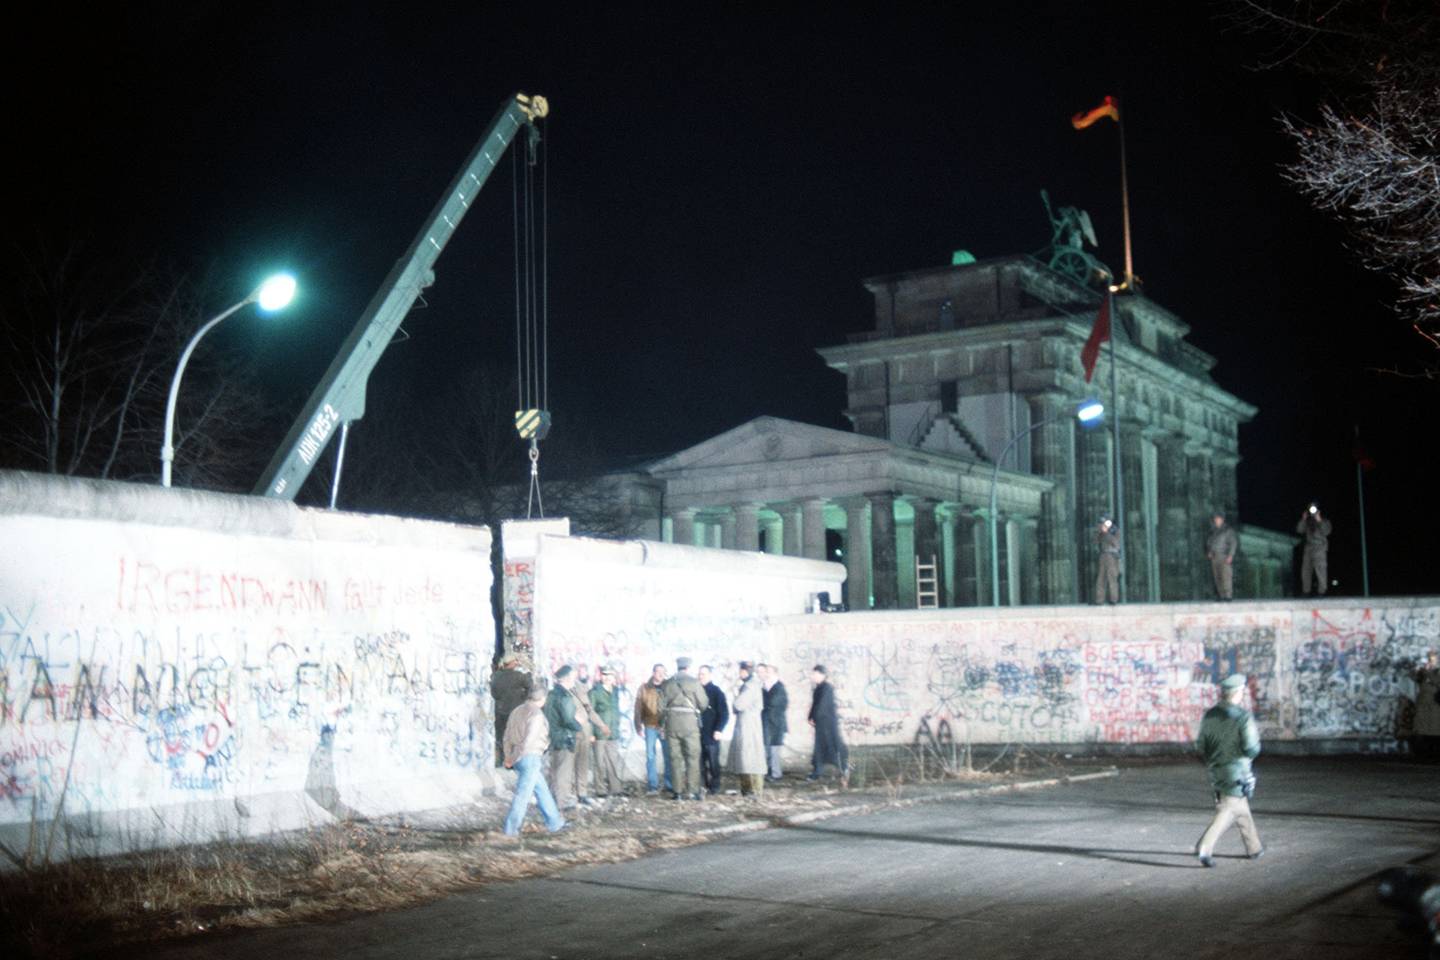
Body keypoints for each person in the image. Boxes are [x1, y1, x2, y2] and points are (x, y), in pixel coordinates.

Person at [1194, 674, 1264, 867]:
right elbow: (1252, 749)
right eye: (1242, 691)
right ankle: (1205, 848)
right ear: (1237, 693)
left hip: (1216, 769)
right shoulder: (1242, 717)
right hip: (1237, 771)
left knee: (1240, 808)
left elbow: (1200, 746)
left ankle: (1254, 848)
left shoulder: (1210, 715)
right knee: (1230, 808)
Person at [501, 684, 566, 837]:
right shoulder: (536, 715)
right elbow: (529, 741)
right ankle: (510, 830)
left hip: (518, 758)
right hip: (529, 757)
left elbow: (507, 735)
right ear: (543, 699)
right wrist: (514, 757)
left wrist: (508, 756)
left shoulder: (516, 711)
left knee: (541, 789)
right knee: (523, 795)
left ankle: (555, 822)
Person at [659, 656, 710, 800]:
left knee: (675, 759)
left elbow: (660, 707)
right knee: (692, 757)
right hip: (690, 725)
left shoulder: (668, 683)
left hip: (672, 725)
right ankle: (693, 791)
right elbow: (703, 704)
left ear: (677, 667)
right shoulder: (694, 682)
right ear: (688, 667)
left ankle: (677, 792)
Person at [544, 665, 594, 809]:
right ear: (566, 679)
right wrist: (578, 723)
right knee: (564, 772)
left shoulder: (552, 694)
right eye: (573, 677)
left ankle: (556, 799)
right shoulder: (564, 696)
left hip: (556, 736)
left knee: (557, 769)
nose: (574, 680)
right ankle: (562, 802)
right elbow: (568, 719)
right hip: (565, 736)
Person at [728, 660, 767, 797]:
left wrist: (734, 695)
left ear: (746, 671)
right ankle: (750, 789)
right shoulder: (751, 685)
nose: (740, 673)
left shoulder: (750, 687)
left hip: (748, 726)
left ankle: (752, 790)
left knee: (749, 757)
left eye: (741, 671)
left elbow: (738, 705)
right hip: (748, 724)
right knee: (748, 757)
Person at [633, 663, 671, 795]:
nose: (660, 674)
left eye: (663, 672)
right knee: (650, 756)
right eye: (658, 671)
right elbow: (638, 708)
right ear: (653, 673)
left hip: (665, 727)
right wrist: (638, 726)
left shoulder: (669, 687)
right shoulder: (644, 688)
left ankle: (669, 784)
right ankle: (653, 786)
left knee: (668, 755)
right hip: (650, 726)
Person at [807, 664, 849, 784]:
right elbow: (815, 705)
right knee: (820, 748)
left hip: (828, 724)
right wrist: (810, 717)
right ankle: (817, 771)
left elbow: (822, 706)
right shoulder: (818, 688)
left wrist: (814, 717)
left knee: (833, 746)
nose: (812, 676)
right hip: (821, 723)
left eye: (815, 674)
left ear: (822, 675)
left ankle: (843, 768)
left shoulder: (827, 688)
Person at [589, 665, 626, 798]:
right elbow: (590, 712)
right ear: (601, 676)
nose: (607, 678)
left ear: (614, 677)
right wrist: (592, 733)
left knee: (613, 761)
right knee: (599, 762)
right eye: (604, 675)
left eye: (610, 675)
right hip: (600, 732)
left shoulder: (615, 691)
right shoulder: (594, 692)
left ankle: (615, 788)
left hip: (613, 732)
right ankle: (600, 789)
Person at [697, 664, 730, 796]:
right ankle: (704, 785)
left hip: (712, 734)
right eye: (699, 674)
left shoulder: (717, 692)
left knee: (713, 762)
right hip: (697, 733)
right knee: (700, 763)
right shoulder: (695, 690)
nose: (701, 676)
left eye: (703, 674)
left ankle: (715, 786)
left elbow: (724, 713)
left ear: (710, 675)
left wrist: (719, 729)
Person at [760, 662, 789, 781]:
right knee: (768, 749)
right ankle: (770, 772)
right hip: (768, 723)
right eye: (766, 672)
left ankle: (776, 774)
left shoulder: (779, 687)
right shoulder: (765, 687)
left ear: (775, 674)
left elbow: (772, 703)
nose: (766, 674)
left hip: (776, 724)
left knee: (774, 750)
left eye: (769, 672)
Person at [1296, 504, 1333, 596]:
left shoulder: (1324, 521)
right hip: (1308, 548)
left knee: (1321, 570)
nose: (1313, 512)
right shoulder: (1308, 522)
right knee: (1305, 570)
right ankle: (1306, 591)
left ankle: (1322, 591)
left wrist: (1319, 519)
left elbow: (1327, 531)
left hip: (1320, 548)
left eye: (1314, 510)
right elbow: (1299, 530)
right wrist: (1303, 519)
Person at [1412, 649, 1440, 759]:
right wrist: (1417, 670)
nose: (1430, 661)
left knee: (1435, 729)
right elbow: (1415, 678)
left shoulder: (1436, 672)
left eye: (1432, 659)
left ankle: (1435, 753)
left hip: (1435, 704)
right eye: (1429, 658)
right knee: (1422, 729)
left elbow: (1437, 681)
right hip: (1423, 703)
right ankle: (1423, 753)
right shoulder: (1424, 671)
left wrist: (1428, 672)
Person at [1206, 511, 1238, 602]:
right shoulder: (1213, 531)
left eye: (1218, 518)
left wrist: (1231, 555)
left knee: (1226, 576)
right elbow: (1209, 542)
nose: (1216, 520)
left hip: (1224, 556)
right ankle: (1221, 595)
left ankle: (1228, 595)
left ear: (1222, 519)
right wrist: (1209, 551)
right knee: (1217, 576)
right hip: (1214, 557)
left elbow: (1233, 543)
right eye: (1215, 518)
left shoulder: (1228, 530)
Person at [1093, 516, 1121, 605]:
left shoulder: (1115, 531)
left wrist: (1107, 533)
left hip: (1112, 556)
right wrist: (1100, 532)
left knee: (1112, 578)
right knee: (1101, 579)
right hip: (1103, 555)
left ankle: (1113, 599)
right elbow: (1095, 541)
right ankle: (1099, 599)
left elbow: (1116, 543)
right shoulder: (1101, 532)